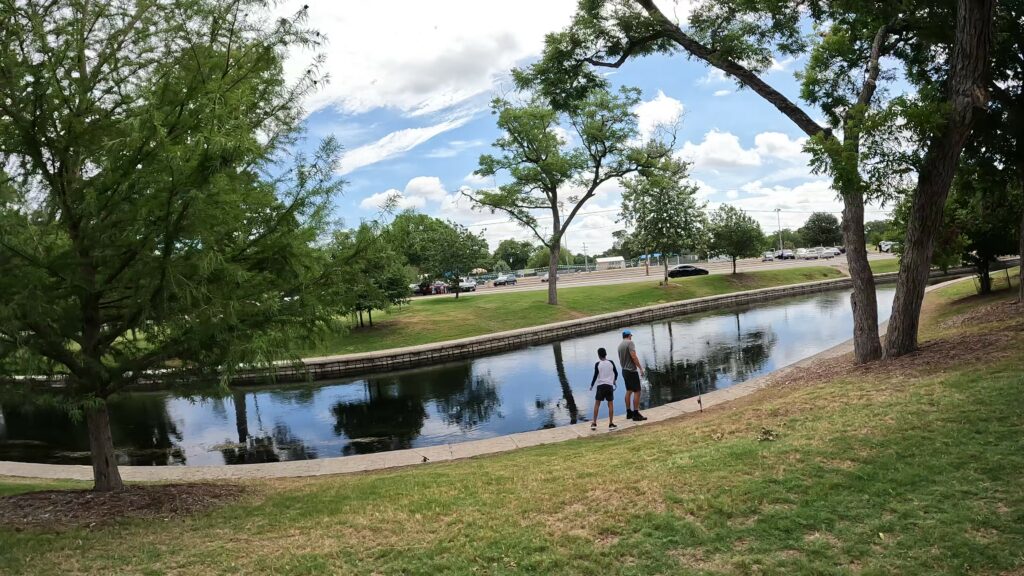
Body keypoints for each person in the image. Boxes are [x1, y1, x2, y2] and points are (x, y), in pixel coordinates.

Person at [617, 329, 647, 421]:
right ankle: (636, 413)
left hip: (624, 371)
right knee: (637, 391)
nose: (631, 337)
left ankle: (628, 412)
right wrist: (640, 368)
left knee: (629, 391)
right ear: (629, 336)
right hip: (631, 371)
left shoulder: (620, 345)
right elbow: (633, 356)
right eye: (631, 335)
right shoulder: (630, 343)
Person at [589, 347, 618, 429]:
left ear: (598, 355)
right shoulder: (611, 362)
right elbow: (616, 373)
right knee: (610, 404)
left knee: (597, 404)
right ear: (606, 354)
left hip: (600, 386)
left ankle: (594, 423)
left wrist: (591, 385)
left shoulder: (597, 364)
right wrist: (614, 380)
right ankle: (611, 423)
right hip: (609, 385)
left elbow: (595, 376)